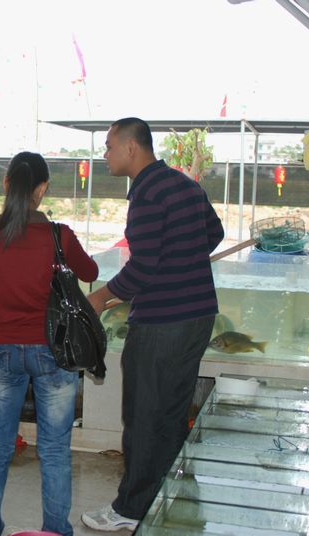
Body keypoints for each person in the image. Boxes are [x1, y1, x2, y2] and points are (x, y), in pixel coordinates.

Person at [82, 118, 224, 532]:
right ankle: (170, 496)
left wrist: (99, 298)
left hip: (163, 321)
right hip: (198, 316)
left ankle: (131, 510)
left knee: (144, 415)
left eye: (109, 146)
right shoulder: (184, 185)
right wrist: (182, 261)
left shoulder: (146, 194)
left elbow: (142, 267)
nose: (105, 155)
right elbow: (214, 233)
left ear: (131, 148)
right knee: (171, 413)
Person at [0, 151, 99, 536]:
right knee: (55, 451)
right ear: (42, 189)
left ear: (6, 184)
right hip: (54, 354)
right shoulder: (60, 236)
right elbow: (90, 271)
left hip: (2, 353)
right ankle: (55, 530)